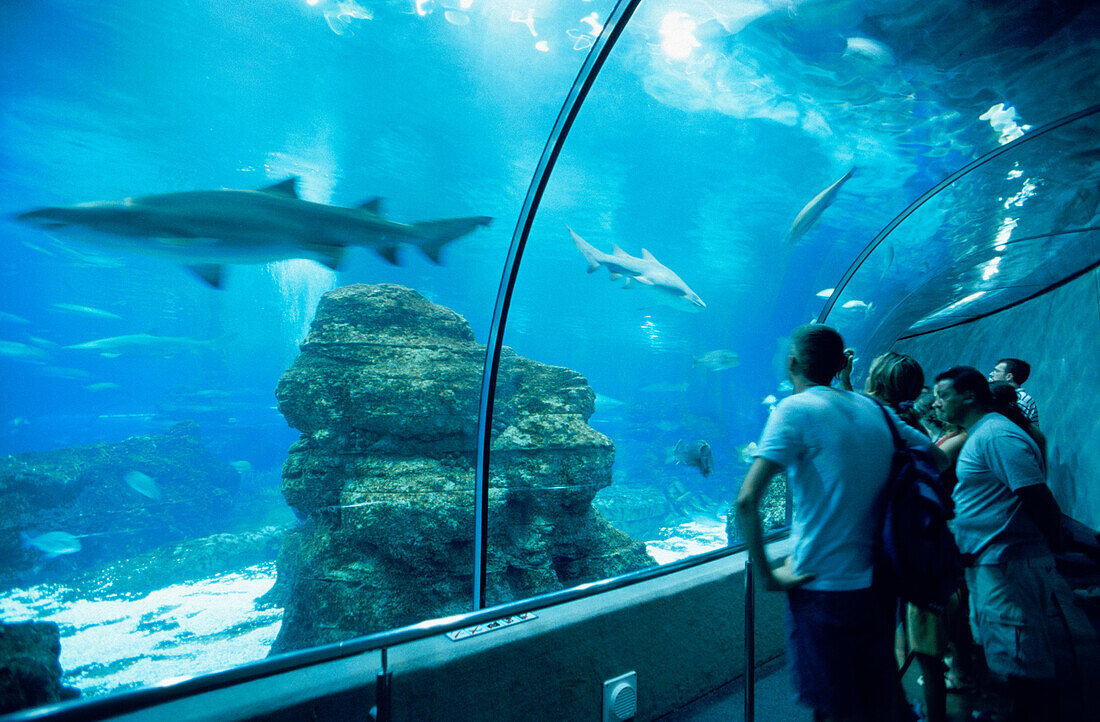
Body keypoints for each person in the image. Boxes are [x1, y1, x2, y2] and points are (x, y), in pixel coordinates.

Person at [735, 325, 945, 721]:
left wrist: (766, 575)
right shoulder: (875, 410)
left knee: (833, 705)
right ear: (838, 365)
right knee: (878, 696)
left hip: (822, 585)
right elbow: (938, 459)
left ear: (793, 362)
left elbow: (747, 500)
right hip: (880, 583)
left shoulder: (794, 409)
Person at [932, 366, 1078, 721]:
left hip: (1010, 566)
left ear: (968, 396)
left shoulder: (995, 436)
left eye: (943, 395)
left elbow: (1036, 496)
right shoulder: (981, 433)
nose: (937, 403)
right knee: (1009, 654)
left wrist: (1053, 542)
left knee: (1024, 660)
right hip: (993, 564)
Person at [988, 358, 1038, 426]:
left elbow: (1012, 425)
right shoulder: (999, 395)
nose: (991, 374)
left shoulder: (1022, 399)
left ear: (1009, 376)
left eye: (996, 371)